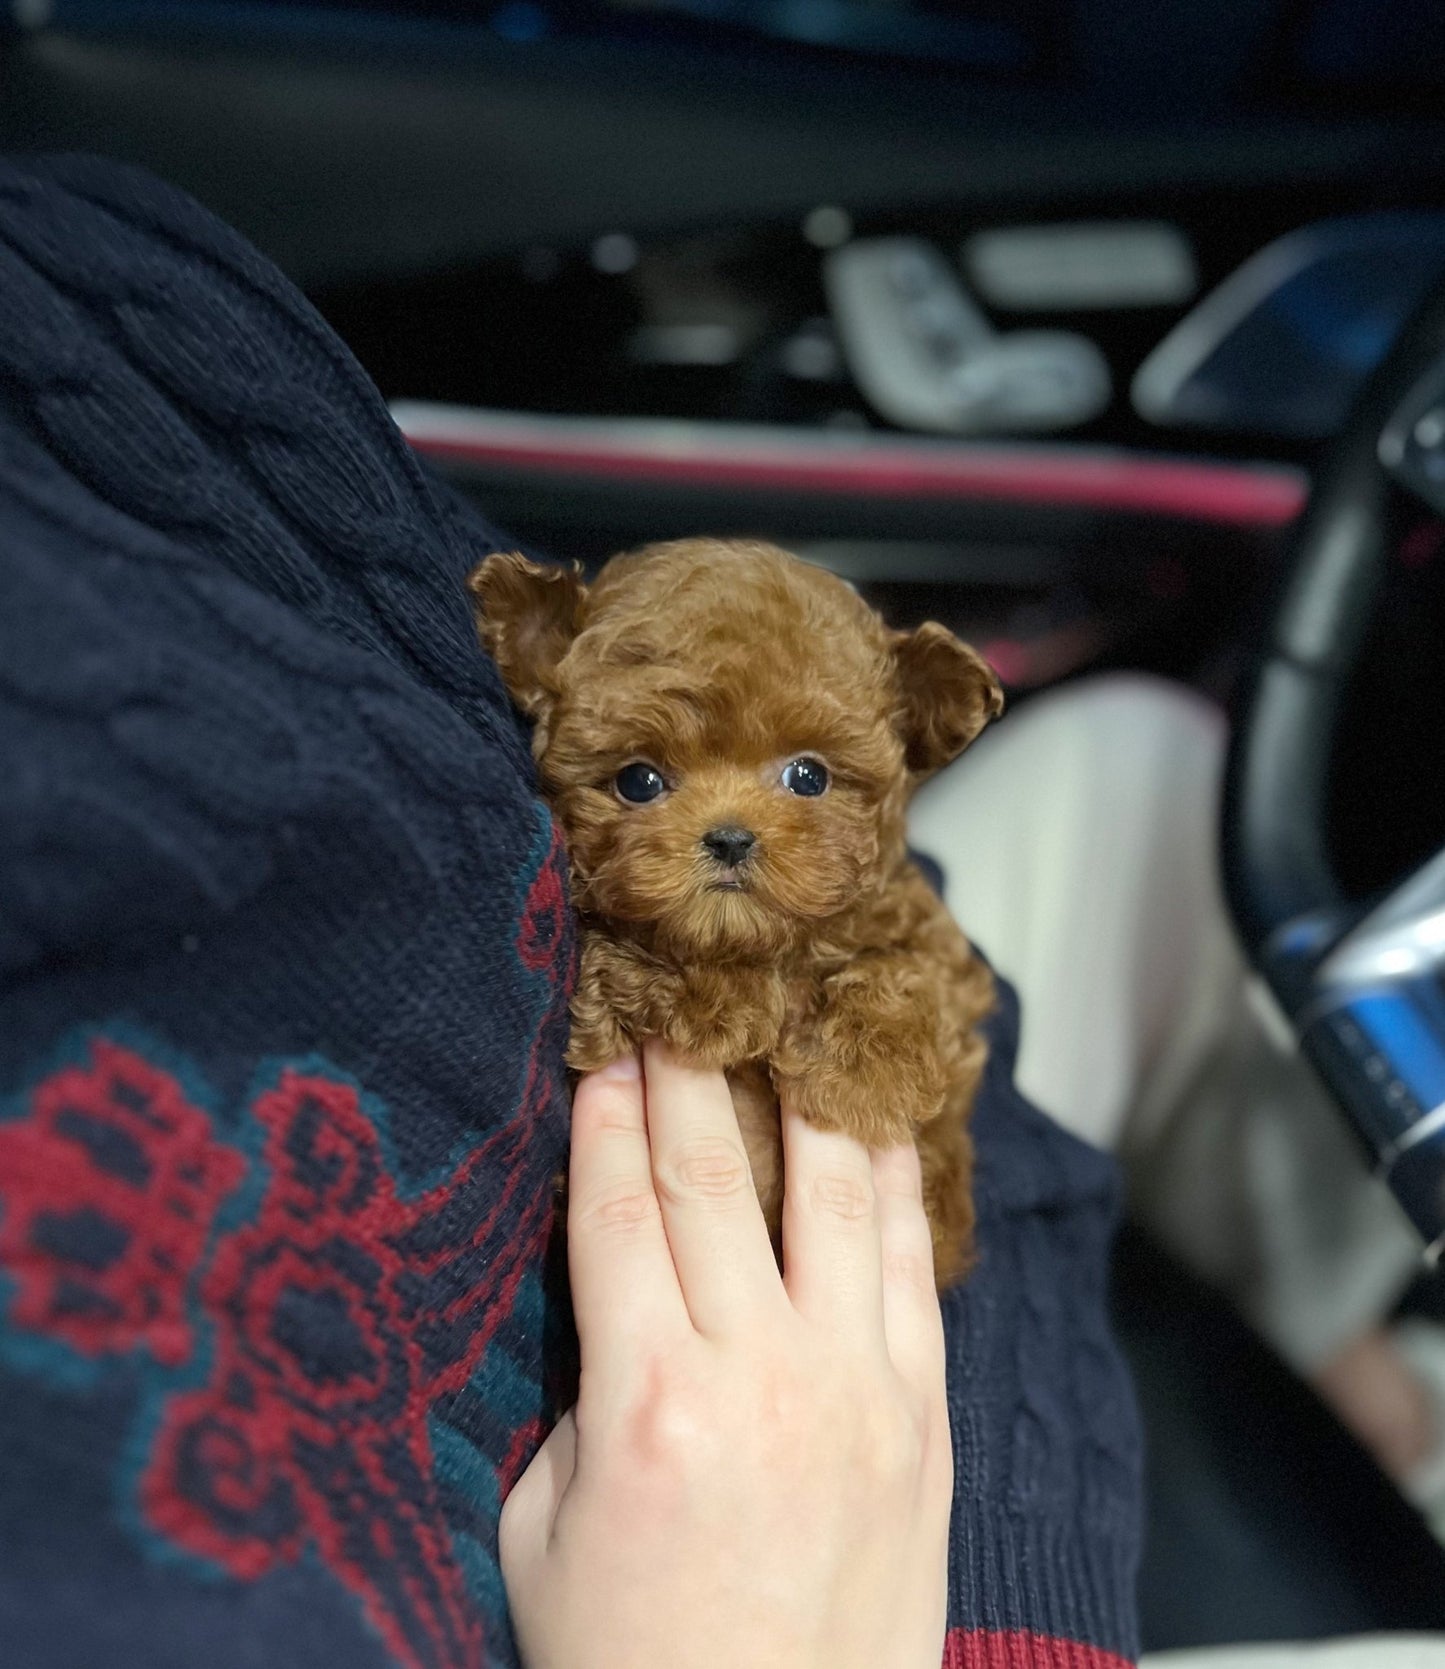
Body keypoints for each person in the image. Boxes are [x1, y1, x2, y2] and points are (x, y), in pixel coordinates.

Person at [0, 154, 1140, 1668]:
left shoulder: (82, 293)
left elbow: (917, 941)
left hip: (928, 1393)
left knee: (1149, 763)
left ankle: (1331, 1345)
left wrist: (969, 1534)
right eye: (650, 777)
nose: (735, 817)